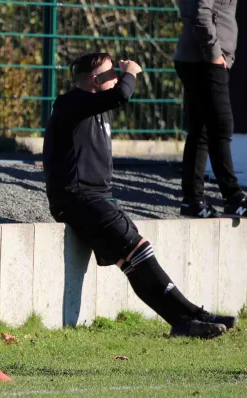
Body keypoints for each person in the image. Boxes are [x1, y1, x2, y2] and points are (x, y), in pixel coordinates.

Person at [42, 52, 237, 338]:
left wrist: (120, 77)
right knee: (139, 249)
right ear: (95, 80)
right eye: (110, 74)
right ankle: (190, 314)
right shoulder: (70, 103)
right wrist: (130, 72)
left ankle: (185, 320)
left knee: (133, 262)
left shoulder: (98, 105)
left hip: (98, 198)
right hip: (77, 198)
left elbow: (117, 96)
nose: (116, 78)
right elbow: (121, 94)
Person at [173, 0, 246, 218]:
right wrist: (214, 53)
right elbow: (199, 13)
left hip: (202, 56)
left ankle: (193, 200)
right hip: (204, 58)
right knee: (220, 125)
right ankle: (232, 197)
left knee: (201, 130)